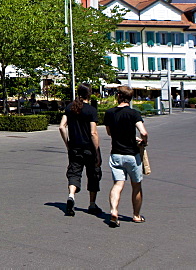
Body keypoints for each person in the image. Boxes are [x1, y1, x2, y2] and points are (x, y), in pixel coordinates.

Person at [103, 85, 149, 227]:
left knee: (117, 184)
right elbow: (144, 132)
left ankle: (114, 211)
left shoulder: (110, 113)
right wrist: (143, 141)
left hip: (116, 154)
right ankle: (136, 215)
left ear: (118, 96)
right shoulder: (134, 113)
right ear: (130, 98)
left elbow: (110, 132)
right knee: (136, 186)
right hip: (132, 155)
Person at [59, 84, 103, 216]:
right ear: (89, 94)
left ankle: (71, 196)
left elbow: (62, 127)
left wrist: (67, 143)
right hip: (89, 148)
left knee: (74, 172)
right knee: (93, 174)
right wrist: (97, 152)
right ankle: (92, 204)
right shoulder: (91, 110)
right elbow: (93, 133)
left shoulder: (70, 107)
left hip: (75, 147)